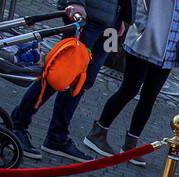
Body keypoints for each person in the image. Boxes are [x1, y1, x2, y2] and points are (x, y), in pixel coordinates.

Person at [9, 0, 134, 161]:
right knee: (60, 73)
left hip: (111, 20)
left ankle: (57, 136)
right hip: (88, 15)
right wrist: (75, 2)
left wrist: (123, 16)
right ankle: (18, 124)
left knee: (82, 81)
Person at [83, 0, 179, 166]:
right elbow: (139, 4)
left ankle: (130, 146)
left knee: (149, 98)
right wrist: (144, 28)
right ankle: (97, 132)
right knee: (129, 90)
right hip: (144, 45)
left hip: (168, 53)